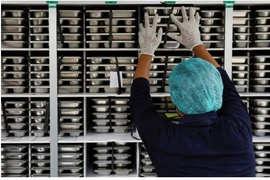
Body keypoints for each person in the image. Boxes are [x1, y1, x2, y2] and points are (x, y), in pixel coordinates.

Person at [129, 6, 255, 177]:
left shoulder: (164, 138)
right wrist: (194, 41)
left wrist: (147, 50)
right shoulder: (236, 127)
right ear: (216, 92)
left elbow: (139, 100)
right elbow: (139, 99)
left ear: (176, 105)